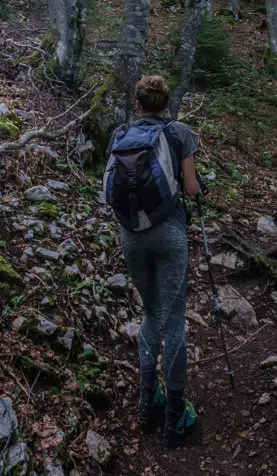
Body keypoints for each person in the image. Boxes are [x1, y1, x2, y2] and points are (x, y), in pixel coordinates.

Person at [105, 75, 200, 448]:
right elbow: (190, 188)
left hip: (132, 235)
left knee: (149, 312)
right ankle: (175, 418)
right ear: (166, 102)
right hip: (170, 232)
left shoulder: (121, 134)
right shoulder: (180, 132)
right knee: (173, 319)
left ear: (138, 102)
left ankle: (148, 404)